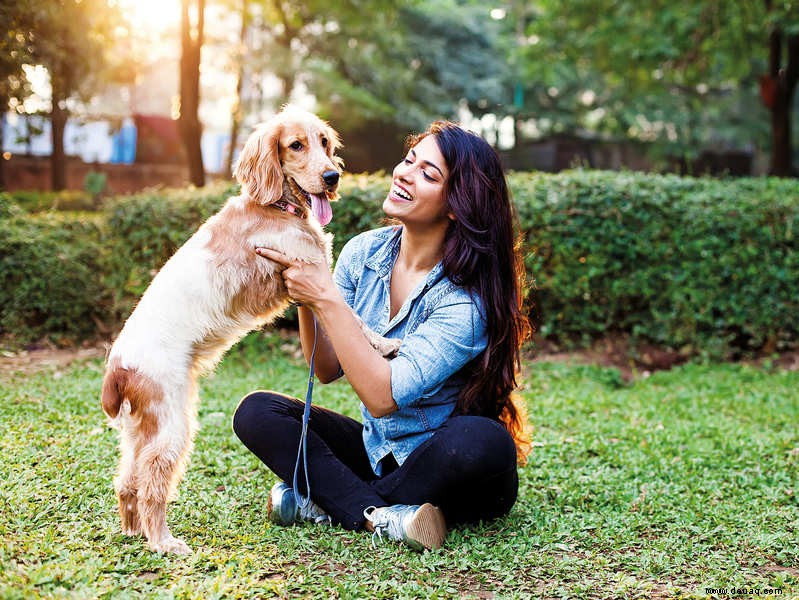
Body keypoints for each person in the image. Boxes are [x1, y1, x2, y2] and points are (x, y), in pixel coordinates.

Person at [233, 121, 532, 551]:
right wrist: (304, 289)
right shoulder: (363, 253)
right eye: (409, 160)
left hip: (447, 463)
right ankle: (385, 515)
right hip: (379, 453)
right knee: (258, 412)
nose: (405, 173)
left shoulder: (465, 302)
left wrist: (326, 297)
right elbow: (326, 366)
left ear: (457, 205)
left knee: (484, 440)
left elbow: (382, 397)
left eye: (429, 174)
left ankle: (332, 503)